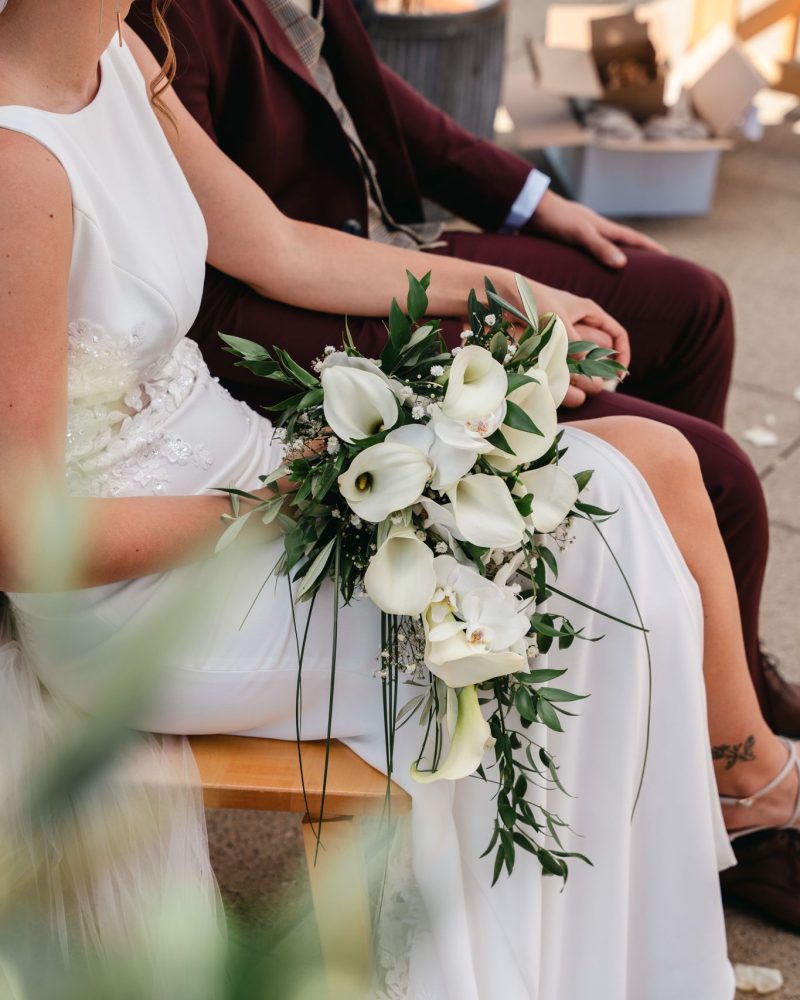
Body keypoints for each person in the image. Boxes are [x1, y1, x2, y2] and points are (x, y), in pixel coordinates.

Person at [0, 3, 798, 995]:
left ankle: (607, 960)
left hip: (254, 463)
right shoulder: (15, 165)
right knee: (571, 568)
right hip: (145, 586)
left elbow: (276, 246)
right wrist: (275, 504)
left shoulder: (116, 51)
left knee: (606, 501)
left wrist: (502, 286)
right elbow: (23, 535)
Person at [130, 0, 800, 746]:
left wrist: (534, 201)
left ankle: (716, 657)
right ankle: (728, 756)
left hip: (381, 245)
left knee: (691, 304)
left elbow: (350, 82)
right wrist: (484, 345)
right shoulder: (144, 28)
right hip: (305, 322)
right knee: (720, 479)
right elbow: (226, 295)